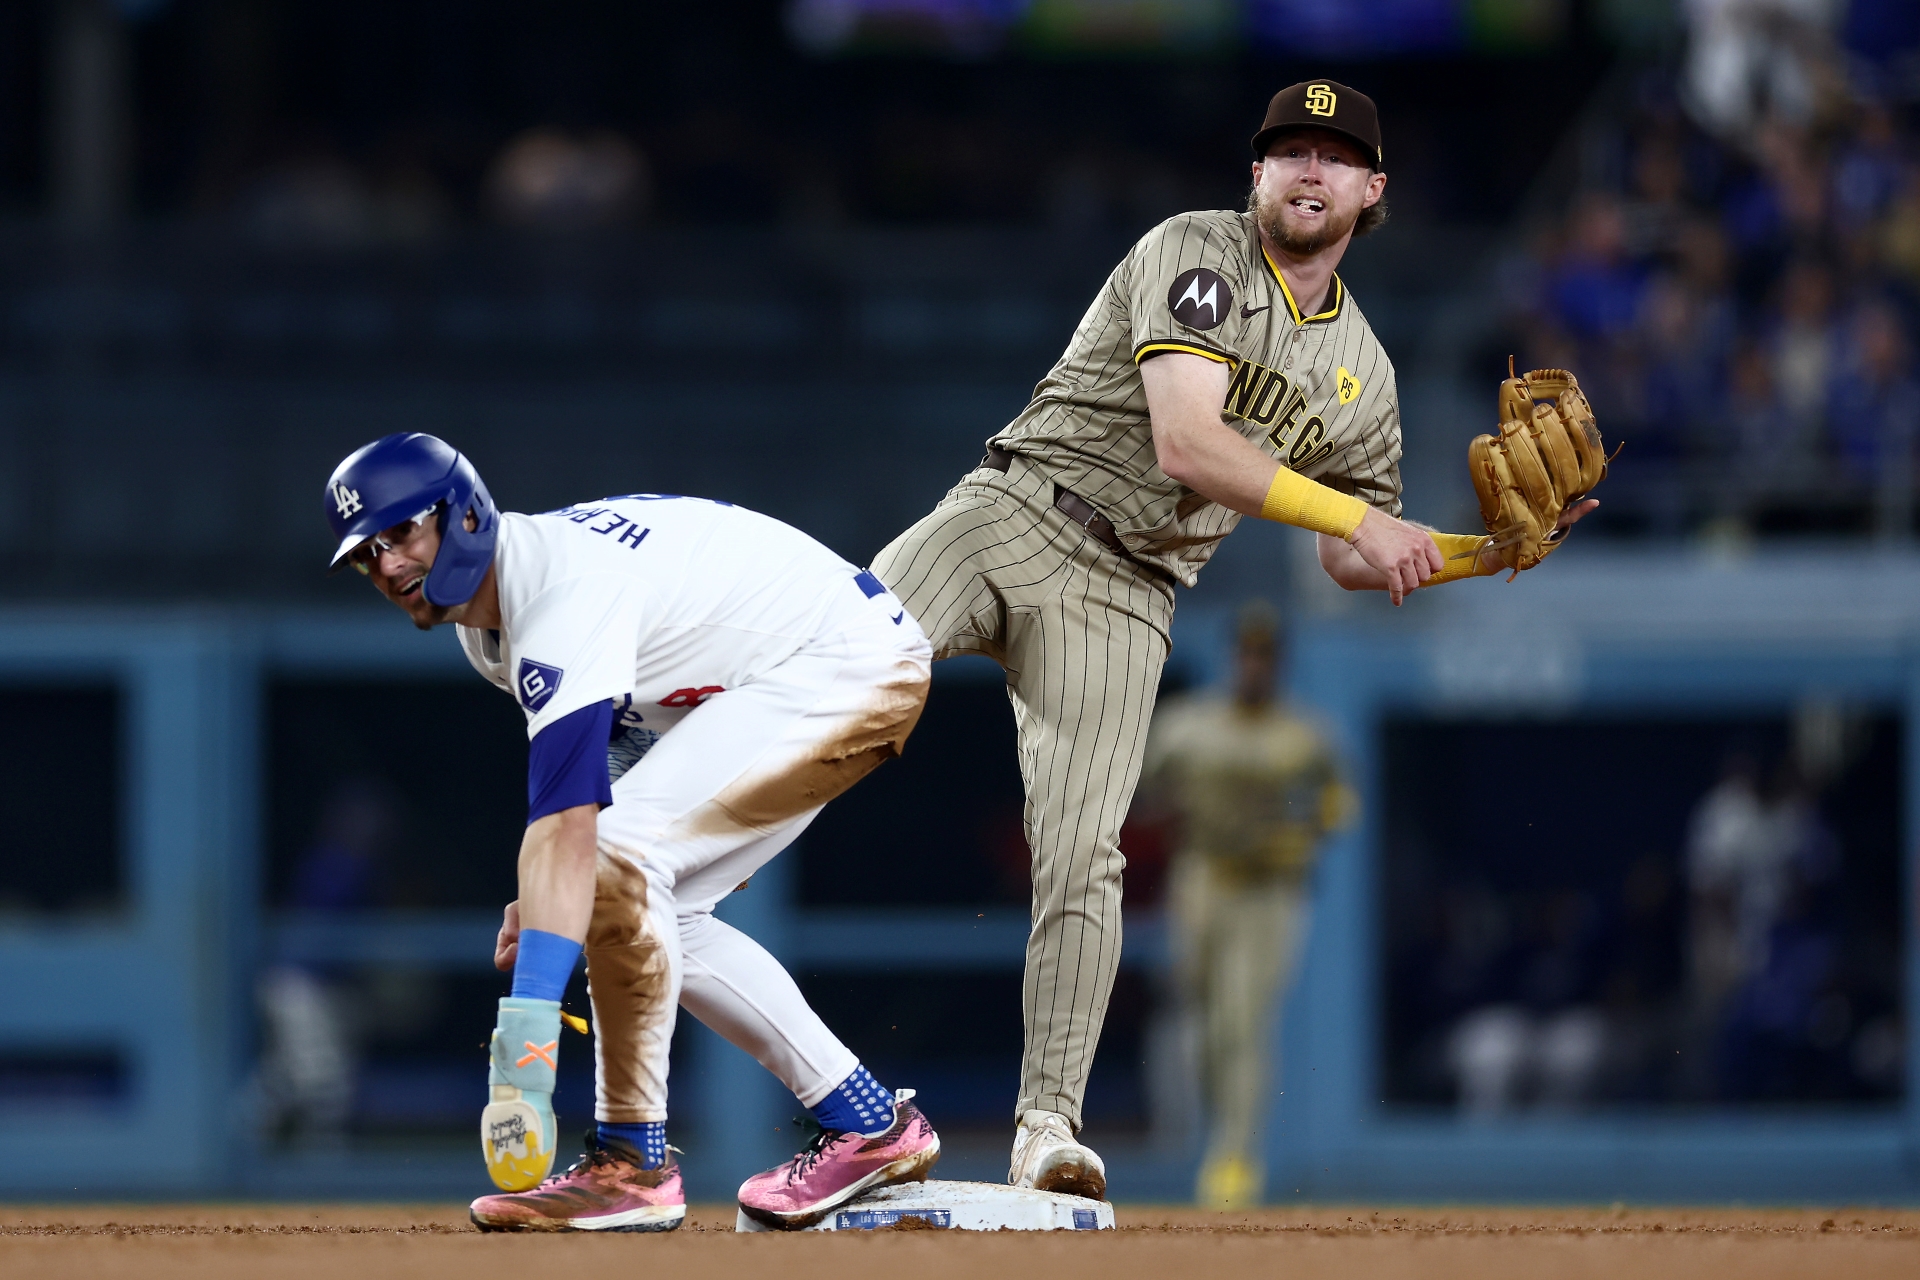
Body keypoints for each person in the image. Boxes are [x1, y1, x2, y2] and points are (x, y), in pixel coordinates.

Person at [871, 78, 1596, 1197]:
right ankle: (631, 832)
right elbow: (1188, 446)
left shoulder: (1366, 374)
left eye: (1336, 154)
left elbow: (1354, 558)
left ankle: (1045, 1126)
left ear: (1373, 188)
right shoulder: (1194, 252)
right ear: (1255, 173)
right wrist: (1360, 513)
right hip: (1010, 511)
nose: (1311, 168)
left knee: (1084, 854)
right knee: (822, 675)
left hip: (1132, 592)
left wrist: (1478, 552)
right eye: (1289, 150)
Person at [323, 433, 940, 1232]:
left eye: (402, 532)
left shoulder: (556, 594)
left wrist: (528, 1037)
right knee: (646, 901)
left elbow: (576, 822)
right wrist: (557, 896)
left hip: (841, 662)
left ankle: (631, 1163)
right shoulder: (491, 628)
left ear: (464, 509)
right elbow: (600, 779)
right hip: (784, 674)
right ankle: (870, 1124)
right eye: (366, 554)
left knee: (618, 863)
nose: (389, 565)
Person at [1139, 603, 1349, 1206]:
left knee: (1243, 1022)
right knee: (1201, 1028)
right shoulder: (1187, 727)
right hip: (1202, 879)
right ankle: (1219, 1139)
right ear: (1234, 657)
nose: (1255, 663)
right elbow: (1149, 799)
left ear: (1279, 663)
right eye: (1247, 652)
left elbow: (1339, 805)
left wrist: (1304, 828)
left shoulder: (1306, 735)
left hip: (1268, 892)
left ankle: (1235, 1154)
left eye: (1266, 654)